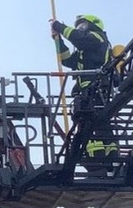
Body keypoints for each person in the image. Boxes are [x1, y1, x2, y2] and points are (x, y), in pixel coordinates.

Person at [50, 14, 118, 161]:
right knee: (88, 123)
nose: (80, 29)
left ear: (93, 25)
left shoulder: (98, 38)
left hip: (97, 89)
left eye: (82, 26)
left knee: (99, 123)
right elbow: (66, 60)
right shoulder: (84, 51)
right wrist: (58, 41)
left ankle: (109, 154)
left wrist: (59, 27)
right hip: (85, 91)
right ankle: (96, 154)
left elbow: (79, 39)